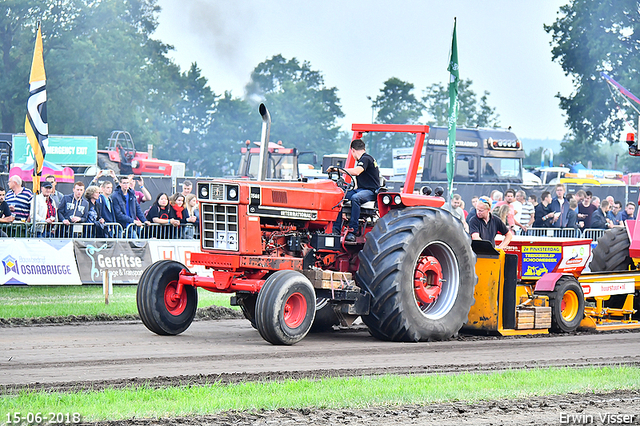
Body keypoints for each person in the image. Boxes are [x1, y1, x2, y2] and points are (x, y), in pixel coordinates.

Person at [329, 139, 380, 242]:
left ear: (352, 150)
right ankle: (336, 230)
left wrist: (338, 169)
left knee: (355, 198)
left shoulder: (365, 159)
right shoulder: (365, 159)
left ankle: (353, 230)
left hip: (371, 191)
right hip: (361, 189)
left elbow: (357, 172)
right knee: (339, 196)